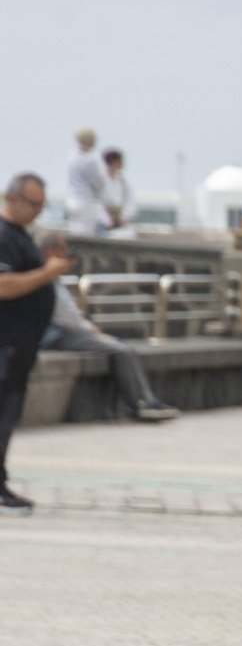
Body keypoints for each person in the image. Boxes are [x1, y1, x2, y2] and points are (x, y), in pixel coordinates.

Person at [0, 175, 76, 515]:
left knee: (8, 416)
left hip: (21, 346)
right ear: (12, 199)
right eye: (33, 204)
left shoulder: (22, 236)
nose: (37, 211)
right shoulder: (4, 236)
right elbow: (4, 286)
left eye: (42, 205)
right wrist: (49, 273)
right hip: (6, 343)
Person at [41, 254, 179, 422]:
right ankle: (141, 403)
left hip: (68, 331)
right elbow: (67, 318)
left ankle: (146, 400)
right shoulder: (47, 281)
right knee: (121, 350)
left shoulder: (54, 281)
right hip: (60, 335)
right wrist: (88, 328)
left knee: (122, 347)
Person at [62, 130, 109, 233]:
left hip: (72, 200)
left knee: (75, 230)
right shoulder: (89, 161)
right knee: (87, 232)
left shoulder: (72, 157)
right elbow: (99, 183)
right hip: (85, 202)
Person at [96, 150, 130, 231]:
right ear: (113, 162)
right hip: (102, 221)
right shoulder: (101, 179)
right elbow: (96, 202)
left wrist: (124, 216)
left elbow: (128, 199)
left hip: (118, 219)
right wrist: (106, 220)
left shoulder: (122, 179)